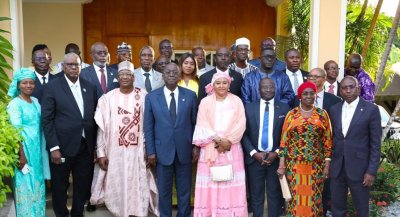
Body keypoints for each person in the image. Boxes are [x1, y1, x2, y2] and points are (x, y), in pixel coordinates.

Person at [90, 61, 159, 217]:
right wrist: (101, 152)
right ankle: (121, 211)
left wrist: (150, 150)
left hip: (139, 150)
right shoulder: (107, 99)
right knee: (118, 181)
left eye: (128, 74)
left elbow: (150, 125)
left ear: (134, 77)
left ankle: (138, 211)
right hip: (115, 151)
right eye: (122, 75)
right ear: (117, 78)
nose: (125, 77)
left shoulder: (144, 96)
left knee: (138, 181)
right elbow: (101, 128)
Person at [42, 53, 98, 217]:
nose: (74, 67)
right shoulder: (52, 86)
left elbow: (93, 117)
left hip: (85, 146)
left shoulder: (89, 86)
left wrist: (94, 146)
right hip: (61, 146)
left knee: (82, 185)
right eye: (70, 65)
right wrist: (53, 147)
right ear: (63, 67)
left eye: (77, 65)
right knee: (60, 186)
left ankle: (77, 214)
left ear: (81, 67)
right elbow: (47, 119)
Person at [144, 63, 198, 217]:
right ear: (163, 75)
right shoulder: (152, 97)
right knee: (164, 191)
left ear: (180, 74)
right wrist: (151, 152)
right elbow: (148, 127)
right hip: (161, 152)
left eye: (175, 72)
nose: (172, 74)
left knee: (184, 190)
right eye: (168, 72)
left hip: (185, 151)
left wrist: (196, 146)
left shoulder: (190, 95)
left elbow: (195, 124)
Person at [193, 70, 248, 216]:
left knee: (231, 182)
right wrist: (218, 140)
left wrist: (228, 141)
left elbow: (241, 123)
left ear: (229, 84)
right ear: (212, 85)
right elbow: (201, 124)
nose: (221, 86)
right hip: (210, 148)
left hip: (232, 148)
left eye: (224, 83)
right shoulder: (205, 102)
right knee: (211, 183)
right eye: (218, 83)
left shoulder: (236, 101)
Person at [277, 82, 332, 216]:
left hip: (316, 167)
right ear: (300, 96)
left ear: (315, 95)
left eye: (311, 93)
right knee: (295, 199)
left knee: (314, 199)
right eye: (305, 93)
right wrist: (281, 164)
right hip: (294, 166)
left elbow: (328, 141)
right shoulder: (292, 114)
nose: (308, 96)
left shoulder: (322, 114)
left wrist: (327, 165)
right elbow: (284, 141)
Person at [329, 76, 382, 217]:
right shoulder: (334, 110)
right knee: (337, 207)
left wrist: (371, 171)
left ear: (358, 88)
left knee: (362, 208)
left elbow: (376, 144)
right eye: (344, 88)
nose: (348, 90)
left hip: (360, 169)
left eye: (351, 87)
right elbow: (332, 139)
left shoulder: (371, 110)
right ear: (340, 91)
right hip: (337, 168)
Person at [242, 78, 290, 217]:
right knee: (256, 196)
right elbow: (243, 133)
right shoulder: (249, 107)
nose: (268, 90)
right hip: (254, 159)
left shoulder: (284, 108)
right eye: (264, 87)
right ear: (259, 90)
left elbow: (286, 134)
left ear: (275, 89)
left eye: (271, 87)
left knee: (274, 196)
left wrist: (276, 152)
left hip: (275, 159)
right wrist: (253, 153)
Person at [7, 68, 50, 217]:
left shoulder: (36, 102)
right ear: (18, 85)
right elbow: (15, 132)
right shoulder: (15, 104)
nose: (29, 85)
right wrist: (21, 155)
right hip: (24, 151)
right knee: (25, 186)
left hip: (37, 150)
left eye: (31, 83)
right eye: (25, 83)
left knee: (37, 185)